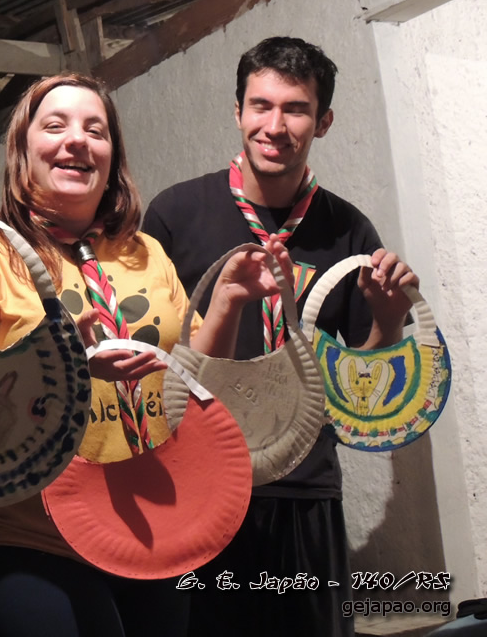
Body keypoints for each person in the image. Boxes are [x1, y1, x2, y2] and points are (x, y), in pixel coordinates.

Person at [0, 72, 293, 637]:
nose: (77, 139)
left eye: (95, 130)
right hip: (30, 538)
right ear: (21, 152)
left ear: (112, 158)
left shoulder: (145, 253)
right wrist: (60, 372)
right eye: (54, 125)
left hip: (150, 528)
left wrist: (227, 302)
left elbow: (188, 388)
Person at [143, 36, 418, 637]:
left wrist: (388, 319)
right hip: (200, 484)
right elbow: (155, 360)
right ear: (237, 110)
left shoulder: (348, 229)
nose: (274, 126)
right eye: (260, 105)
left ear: (323, 121)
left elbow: (362, 393)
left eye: (295, 109)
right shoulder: (174, 215)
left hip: (304, 489)